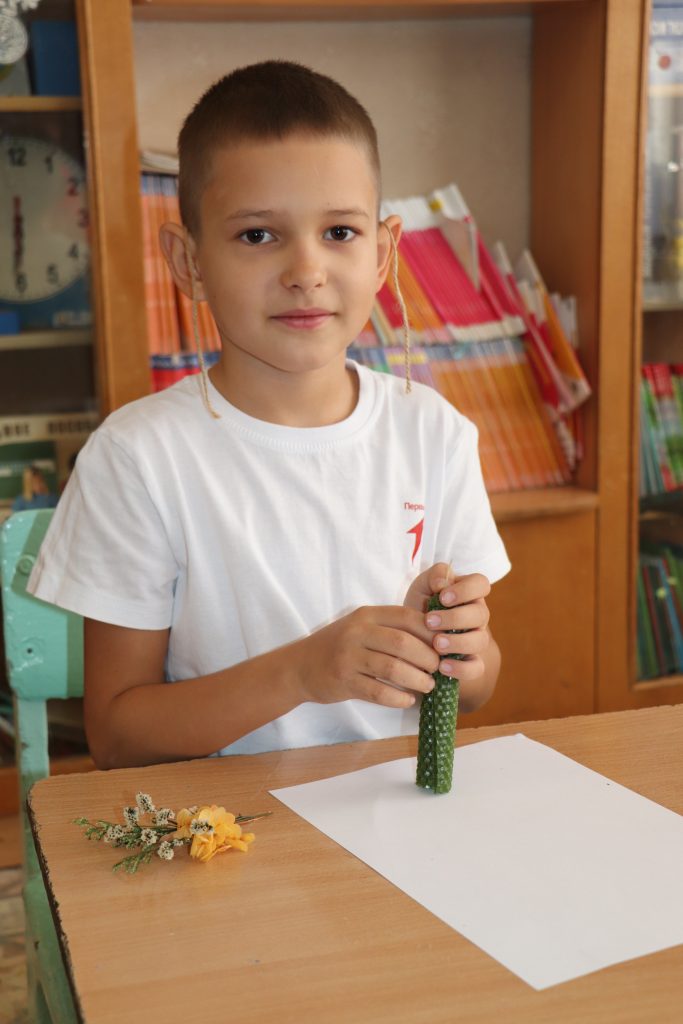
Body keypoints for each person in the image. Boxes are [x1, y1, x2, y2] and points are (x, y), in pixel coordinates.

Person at [28, 60, 511, 770]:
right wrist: (303, 671)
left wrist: (461, 653)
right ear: (188, 263)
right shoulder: (138, 457)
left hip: (390, 807)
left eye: (339, 232)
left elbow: (479, 689)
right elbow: (119, 738)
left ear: (383, 254)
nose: (305, 271)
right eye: (258, 235)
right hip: (223, 823)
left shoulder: (432, 432)